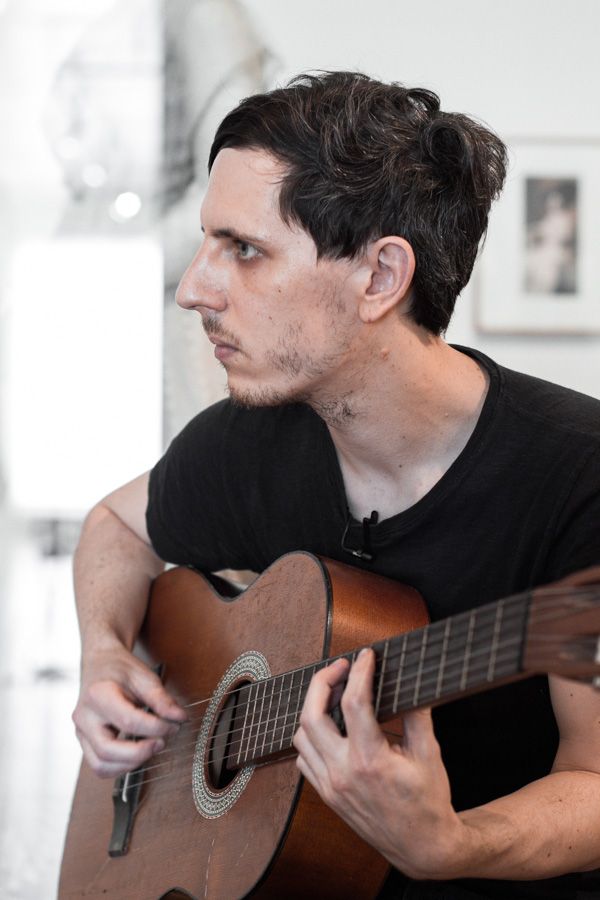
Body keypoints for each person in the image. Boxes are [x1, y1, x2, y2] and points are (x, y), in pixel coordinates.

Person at [72, 72, 600, 899]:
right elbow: (117, 525)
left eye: (244, 249)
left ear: (380, 278)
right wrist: (103, 651)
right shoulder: (248, 441)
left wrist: (456, 845)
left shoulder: (578, 473)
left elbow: (594, 780)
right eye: (208, 243)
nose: (192, 289)